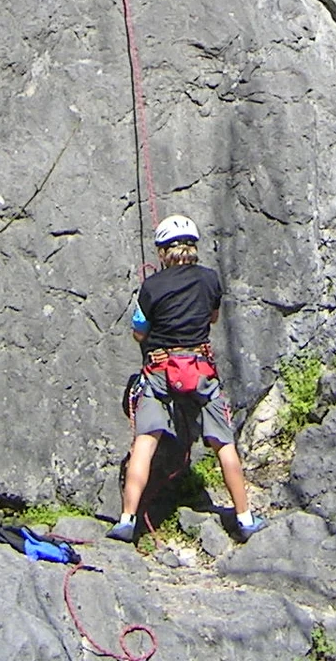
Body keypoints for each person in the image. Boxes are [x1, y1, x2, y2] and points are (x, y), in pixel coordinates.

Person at [108, 215, 265, 543]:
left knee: (144, 443)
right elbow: (213, 317)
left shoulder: (152, 286)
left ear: (162, 252)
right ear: (193, 248)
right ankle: (245, 518)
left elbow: (139, 332)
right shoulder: (210, 279)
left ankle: (126, 520)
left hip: (160, 371)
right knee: (224, 444)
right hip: (200, 369)